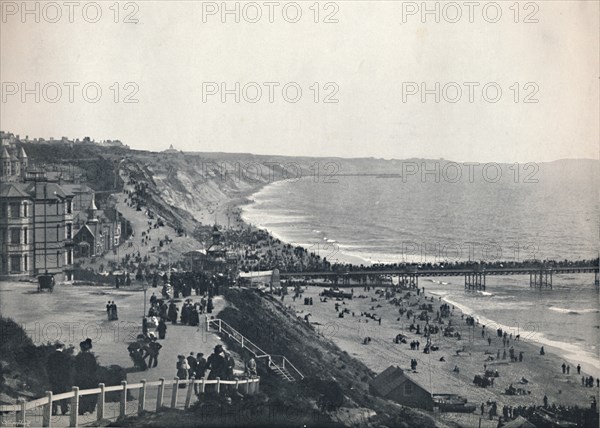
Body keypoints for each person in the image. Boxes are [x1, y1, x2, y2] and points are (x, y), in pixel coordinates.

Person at [74, 339, 98, 415]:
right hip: (90, 379)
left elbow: (76, 368)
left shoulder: (78, 357)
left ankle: (81, 409)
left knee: (81, 394)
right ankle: (90, 408)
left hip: (80, 379)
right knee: (90, 394)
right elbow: (95, 368)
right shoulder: (91, 357)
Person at [47, 343, 71, 415]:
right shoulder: (65, 357)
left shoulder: (51, 356)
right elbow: (67, 369)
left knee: (54, 394)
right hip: (62, 379)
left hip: (53, 378)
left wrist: (50, 376)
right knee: (63, 393)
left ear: (56, 347)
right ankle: (64, 410)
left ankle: (53, 410)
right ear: (62, 348)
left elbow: (48, 368)